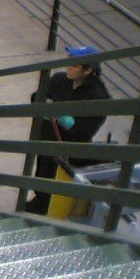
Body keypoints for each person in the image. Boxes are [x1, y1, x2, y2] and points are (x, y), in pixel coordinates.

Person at [25, 45, 110, 214]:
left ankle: (50, 208)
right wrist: (44, 105)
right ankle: (40, 202)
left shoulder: (98, 97)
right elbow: (36, 96)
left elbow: (85, 130)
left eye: (74, 64)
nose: (68, 67)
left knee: (57, 179)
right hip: (47, 139)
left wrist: (66, 120)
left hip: (69, 148)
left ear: (87, 70)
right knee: (42, 171)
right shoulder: (59, 80)